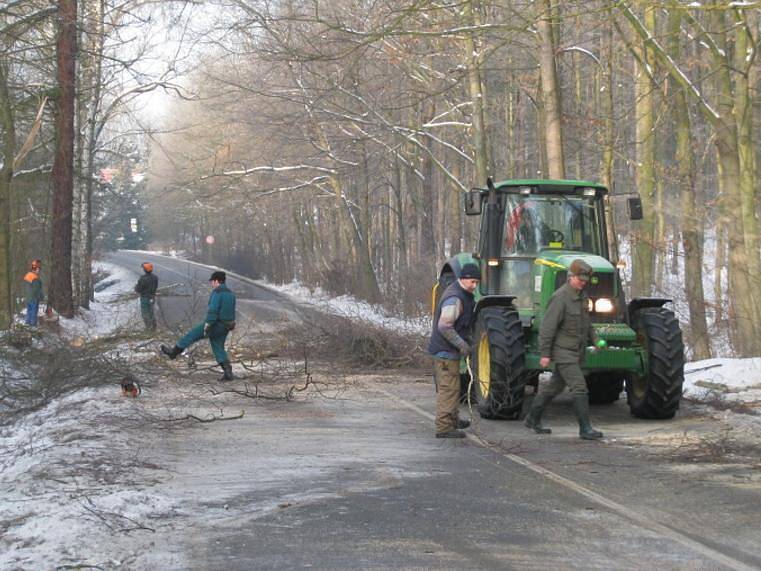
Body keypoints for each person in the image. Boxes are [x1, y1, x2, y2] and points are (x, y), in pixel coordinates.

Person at [524, 259, 603, 440]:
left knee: (554, 387)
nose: (583, 283)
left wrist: (597, 340)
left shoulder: (582, 296)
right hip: (563, 351)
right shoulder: (560, 297)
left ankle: (532, 418)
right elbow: (547, 327)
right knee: (579, 387)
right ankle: (585, 429)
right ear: (571, 277)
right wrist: (545, 354)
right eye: (580, 279)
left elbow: (587, 324)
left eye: (585, 280)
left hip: (576, 350)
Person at [427, 263, 481, 439]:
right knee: (448, 390)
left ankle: (453, 420)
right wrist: (463, 345)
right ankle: (444, 427)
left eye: (477, 282)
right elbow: (445, 326)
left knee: (453, 387)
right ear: (463, 279)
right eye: (472, 281)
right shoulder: (455, 298)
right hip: (445, 352)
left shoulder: (462, 293)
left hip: (448, 351)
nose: (475, 286)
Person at [161, 270, 236, 381]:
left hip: (215, 324)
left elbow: (213, 310)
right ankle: (228, 372)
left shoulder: (217, 293)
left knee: (191, 335)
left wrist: (208, 325)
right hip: (226, 326)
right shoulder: (231, 294)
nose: (211, 284)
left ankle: (173, 352)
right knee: (218, 347)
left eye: (212, 281)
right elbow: (231, 311)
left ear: (216, 281)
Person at [135, 262, 159, 331]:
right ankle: (154, 327)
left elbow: (138, 289)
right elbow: (156, 287)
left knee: (145, 313)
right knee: (151, 313)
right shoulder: (155, 277)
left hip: (145, 298)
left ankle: (148, 328)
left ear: (145, 270)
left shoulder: (142, 278)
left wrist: (136, 287)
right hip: (152, 297)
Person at [23, 259, 44, 326]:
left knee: (29, 312)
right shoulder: (35, 278)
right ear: (36, 269)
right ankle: (33, 327)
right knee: (34, 313)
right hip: (34, 298)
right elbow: (37, 290)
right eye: (39, 269)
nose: (39, 270)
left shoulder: (27, 275)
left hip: (28, 298)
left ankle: (27, 325)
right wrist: (41, 297)